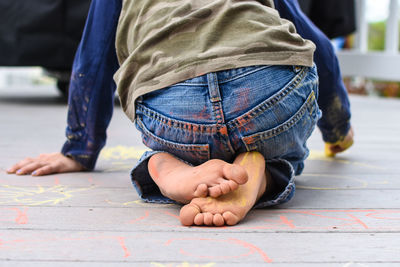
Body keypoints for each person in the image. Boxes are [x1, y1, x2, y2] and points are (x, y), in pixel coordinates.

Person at [7, 0, 352, 226]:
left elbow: (93, 58)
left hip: (177, 113)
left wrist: (80, 148)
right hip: (268, 95)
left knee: (170, 129)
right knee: (284, 124)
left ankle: (163, 165)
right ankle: (270, 171)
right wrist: (338, 129)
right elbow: (318, 46)